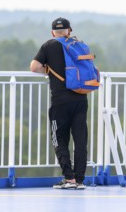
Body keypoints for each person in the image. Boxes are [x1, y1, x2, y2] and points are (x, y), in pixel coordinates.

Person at [30, 17, 88, 189]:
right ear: (69, 31)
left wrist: (48, 70)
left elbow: (34, 67)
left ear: (53, 32)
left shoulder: (49, 45)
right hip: (80, 98)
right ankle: (79, 180)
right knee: (80, 139)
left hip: (60, 100)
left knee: (59, 139)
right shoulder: (79, 44)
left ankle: (68, 178)